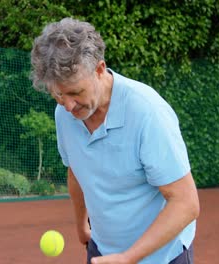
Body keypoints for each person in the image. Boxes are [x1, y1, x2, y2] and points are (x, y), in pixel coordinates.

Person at [30, 17, 200, 264]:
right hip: (104, 251)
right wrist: (82, 225)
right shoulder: (64, 114)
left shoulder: (147, 113)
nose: (68, 105)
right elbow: (76, 172)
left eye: (76, 92)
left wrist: (128, 257)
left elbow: (186, 203)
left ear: (99, 70)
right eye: (58, 95)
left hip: (161, 257)